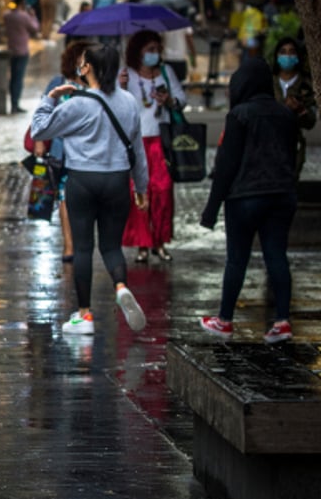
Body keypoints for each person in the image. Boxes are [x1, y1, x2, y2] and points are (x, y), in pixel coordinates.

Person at [30, 43, 150, 337]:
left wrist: (50, 98)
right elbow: (138, 149)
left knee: (83, 248)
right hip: (117, 180)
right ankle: (121, 287)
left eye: (83, 63)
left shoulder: (77, 103)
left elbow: (39, 130)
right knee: (111, 246)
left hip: (83, 180)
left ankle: (84, 316)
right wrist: (142, 186)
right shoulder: (128, 102)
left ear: (88, 69)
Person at [199, 57, 299, 344]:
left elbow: (227, 165)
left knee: (237, 260)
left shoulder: (239, 115)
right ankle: (282, 321)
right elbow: (290, 157)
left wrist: (211, 210)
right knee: (276, 256)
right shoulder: (285, 115)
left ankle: (224, 320)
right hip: (281, 196)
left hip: (245, 197)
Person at [119, 29, 185, 263]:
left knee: (163, 192)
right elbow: (116, 106)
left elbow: (181, 100)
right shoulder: (126, 76)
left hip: (161, 142)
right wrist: (120, 88)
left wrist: (169, 101)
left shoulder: (166, 73)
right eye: (150, 50)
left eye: (157, 50)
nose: (154, 54)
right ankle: (142, 244)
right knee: (139, 193)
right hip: (137, 143)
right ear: (138, 52)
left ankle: (159, 241)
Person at [35, 40, 91, 263]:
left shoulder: (95, 88)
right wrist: (39, 140)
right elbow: (43, 111)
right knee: (65, 199)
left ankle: (83, 243)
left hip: (88, 155)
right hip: (62, 153)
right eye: (81, 60)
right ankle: (69, 246)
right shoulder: (58, 84)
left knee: (85, 201)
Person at [270, 36, 316, 179]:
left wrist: (300, 110)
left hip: (293, 144)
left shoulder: (305, 84)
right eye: (283, 52)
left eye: (291, 52)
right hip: (269, 142)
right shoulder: (269, 81)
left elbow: (310, 122)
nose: (287, 56)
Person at [2, 0, 40, 114]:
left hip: (11, 49)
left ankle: (13, 103)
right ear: (23, 2)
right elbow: (35, 28)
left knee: (13, 77)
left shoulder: (7, 15)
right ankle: (15, 104)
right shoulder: (24, 17)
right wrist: (33, 16)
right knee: (18, 78)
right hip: (22, 51)